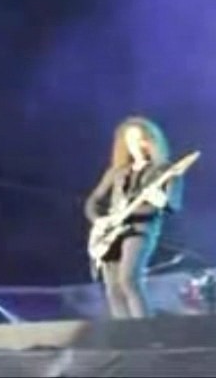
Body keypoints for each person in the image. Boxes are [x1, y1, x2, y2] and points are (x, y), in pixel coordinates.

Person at [84, 116, 184, 319]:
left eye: (140, 139)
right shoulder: (117, 172)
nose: (135, 144)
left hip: (140, 229)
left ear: (150, 142)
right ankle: (125, 332)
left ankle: (145, 330)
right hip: (111, 232)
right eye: (129, 139)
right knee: (113, 287)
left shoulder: (164, 170)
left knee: (128, 279)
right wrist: (99, 220)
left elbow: (172, 204)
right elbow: (93, 201)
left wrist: (159, 201)